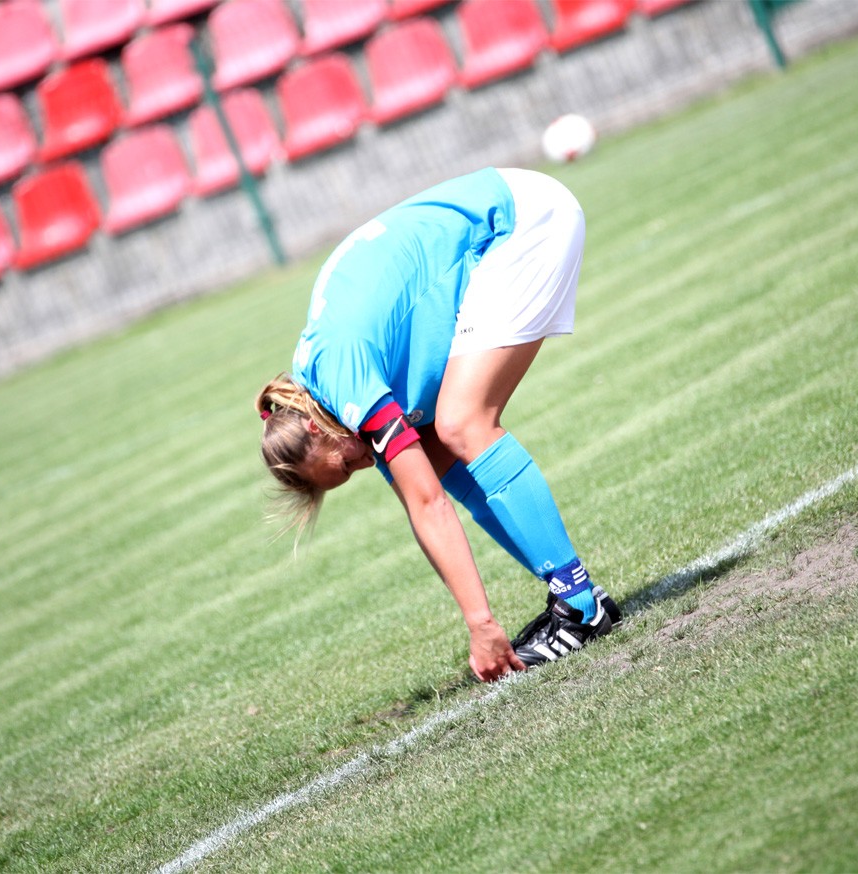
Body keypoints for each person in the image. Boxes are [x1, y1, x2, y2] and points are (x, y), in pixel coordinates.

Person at [256, 167, 620, 682]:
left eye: (345, 463)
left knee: (461, 423)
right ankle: (576, 596)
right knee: (439, 454)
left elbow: (427, 506)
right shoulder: (322, 382)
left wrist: (481, 624)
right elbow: (424, 495)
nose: (363, 463)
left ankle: (581, 606)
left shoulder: (341, 373)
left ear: (316, 429)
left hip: (522, 220)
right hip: (507, 218)